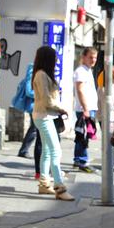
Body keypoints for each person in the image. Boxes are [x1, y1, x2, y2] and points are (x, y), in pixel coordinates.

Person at [31, 46, 75, 201]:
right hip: (43, 116)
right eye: (54, 57)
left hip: (45, 116)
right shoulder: (41, 75)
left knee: (47, 152)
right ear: (47, 58)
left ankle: (44, 184)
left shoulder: (42, 74)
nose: (56, 60)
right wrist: (61, 108)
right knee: (55, 150)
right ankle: (60, 188)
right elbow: (47, 100)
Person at [14, 63, 44, 179]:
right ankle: (23, 150)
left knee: (34, 128)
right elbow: (28, 90)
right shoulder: (33, 69)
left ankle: (23, 150)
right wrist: (43, 95)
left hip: (38, 106)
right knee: (35, 129)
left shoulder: (40, 70)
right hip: (34, 105)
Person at [73, 47, 98, 173]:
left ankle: (78, 159)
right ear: (83, 57)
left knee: (81, 134)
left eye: (95, 57)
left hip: (88, 108)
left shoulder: (87, 70)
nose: (93, 60)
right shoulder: (81, 71)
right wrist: (86, 108)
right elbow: (80, 89)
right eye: (90, 57)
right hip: (85, 108)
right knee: (84, 135)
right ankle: (82, 161)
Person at [96, 65, 114, 172]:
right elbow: (108, 103)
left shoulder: (111, 86)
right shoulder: (103, 88)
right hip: (106, 118)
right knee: (109, 141)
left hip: (112, 117)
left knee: (112, 140)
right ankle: (109, 163)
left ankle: (112, 162)